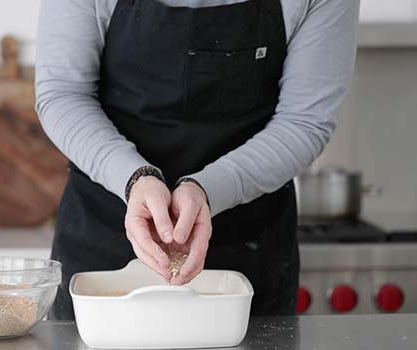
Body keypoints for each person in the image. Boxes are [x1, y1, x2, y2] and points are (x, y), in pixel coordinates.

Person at [35, 0, 359, 320]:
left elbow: (304, 121)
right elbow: (63, 93)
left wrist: (208, 188)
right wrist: (135, 178)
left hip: (248, 247)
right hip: (103, 236)